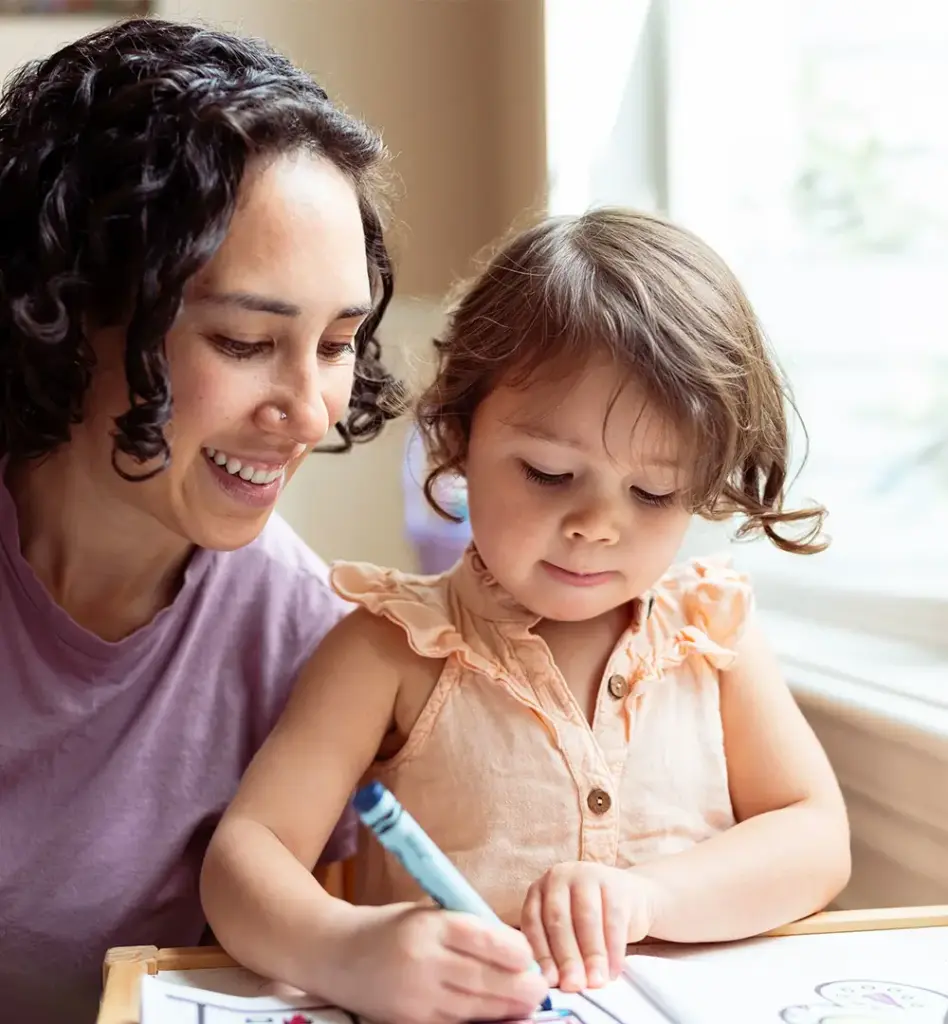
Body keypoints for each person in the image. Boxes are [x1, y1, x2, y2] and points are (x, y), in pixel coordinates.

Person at [201, 209, 852, 1024]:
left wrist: (648, 898)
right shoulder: (391, 647)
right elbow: (244, 857)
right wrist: (346, 950)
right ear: (457, 438)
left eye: (653, 493)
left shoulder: (710, 634)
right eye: (549, 472)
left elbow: (816, 838)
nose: (596, 525)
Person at [0, 16, 399, 1024]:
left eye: (339, 343)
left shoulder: (305, 645)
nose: (310, 412)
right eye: (242, 338)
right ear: (69, 306)